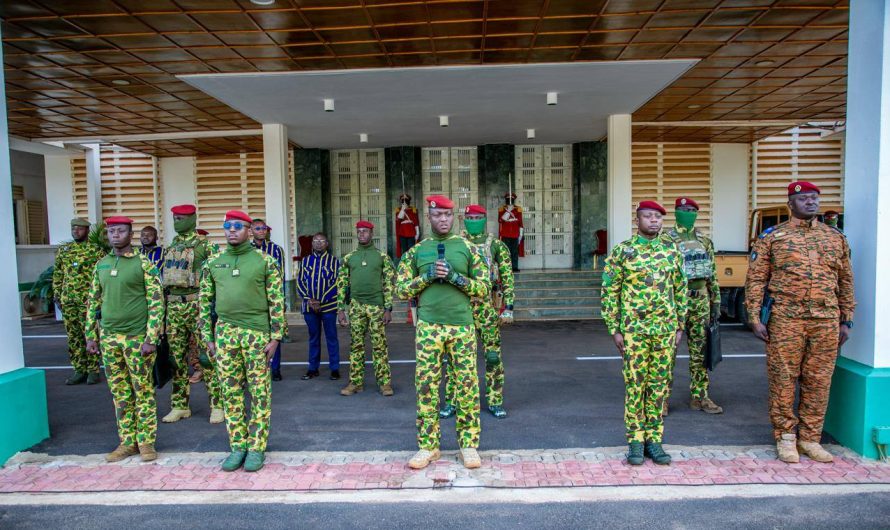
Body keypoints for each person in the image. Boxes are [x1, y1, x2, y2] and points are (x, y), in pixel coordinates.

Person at [745, 181, 855, 464]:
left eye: (814, 198)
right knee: (783, 379)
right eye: (803, 198)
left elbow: (845, 281)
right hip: (786, 320)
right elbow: (757, 279)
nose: (811, 203)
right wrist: (755, 317)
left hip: (826, 320)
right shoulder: (773, 237)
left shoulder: (835, 238)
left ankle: (811, 438)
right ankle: (785, 437)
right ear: (790, 204)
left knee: (819, 381)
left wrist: (847, 319)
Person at [396, 194, 490, 470]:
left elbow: (484, 289)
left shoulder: (467, 248)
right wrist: (426, 277)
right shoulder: (417, 250)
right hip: (428, 327)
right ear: (430, 217)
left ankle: (469, 445)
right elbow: (400, 289)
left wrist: (454, 277)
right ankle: (428, 446)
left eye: (448, 215)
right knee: (426, 387)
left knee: (467, 387)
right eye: (438, 215)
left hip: (461, 326)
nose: (443, 220)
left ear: (455, 217)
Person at [601, 200, 687, 467]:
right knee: (635, 386)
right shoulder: (623, 251)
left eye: (658, 217)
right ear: (637, 220)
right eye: (648, 216)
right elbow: (609, 291)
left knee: (658, 387)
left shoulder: (672, 251)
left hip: (664, 330)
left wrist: (679, 324)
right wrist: (614, 328)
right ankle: (635, 442)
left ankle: (655, 440)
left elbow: (681, 289)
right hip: (634, 331)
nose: (654, 221)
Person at [200, 210, 286, 472]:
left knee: (259, 393)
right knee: (231, 393)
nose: (232, 231)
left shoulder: (265, 261)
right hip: (225, 334)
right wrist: (207, 337)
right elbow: (204, 302)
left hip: (256, 334)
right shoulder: (213, 262)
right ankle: (238, 446)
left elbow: (276, 300)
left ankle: (257, 447)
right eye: (227, 226)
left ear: (249, 230)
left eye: (238, 226)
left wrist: (276, 337)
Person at [85, 216, 163, 463]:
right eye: (111, 231)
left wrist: (151, 337)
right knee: (120, 392)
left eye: (120, 231)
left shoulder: (144, 264)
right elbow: (93, 301)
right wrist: (90, 335)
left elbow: (156, 302)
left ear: (131, 235)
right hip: (109, 338)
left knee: (143, 390)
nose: (114, 235)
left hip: (137, 338)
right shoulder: (102, 265)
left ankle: (147, 442)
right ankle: (127, 441)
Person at [440, 204, 515, 419]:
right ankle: (453, 401)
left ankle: (495, 400)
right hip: (460, 306)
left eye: (478, 217)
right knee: (454, 358)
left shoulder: (497, 246)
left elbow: (507, 278)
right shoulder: (455, 244)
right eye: (470, 217)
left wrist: (508, 307)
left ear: (485, 218)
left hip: (486, 307)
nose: (474, 221)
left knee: (492, 357)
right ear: (463, 219)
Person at [160, 204, 219, 424]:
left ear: (193, 219)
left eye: (182, 218)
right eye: (175, 218)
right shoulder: (171, 246)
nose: (177, 221)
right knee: (176, 360)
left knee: (207, 358)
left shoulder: (206, 246)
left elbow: (216, 276)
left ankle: (218, 404)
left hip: (198, 305)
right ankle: (179, 405)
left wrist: (213, 307)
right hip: (174, 306)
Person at [664, 197, 723, 414]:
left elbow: (713, 275)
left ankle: (700, 397)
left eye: (690, 210)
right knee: (668, 353)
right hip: (674, 300)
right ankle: (662, 399)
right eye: (682, 209)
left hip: (701, 300)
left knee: (700, 352)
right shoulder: (665, 240)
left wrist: (716, 301)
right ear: (676, 212)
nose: (686, 213)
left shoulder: (705, 241)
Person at [336, 220, 395, 396]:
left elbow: (388, 284)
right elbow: (342, 284)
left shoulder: (382, 257)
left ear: (371, 233)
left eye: (365, 231)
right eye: (359, 231)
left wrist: (388, 308)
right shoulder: (349, 258)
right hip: (356, 307)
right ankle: (355, 382)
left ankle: (384, 383)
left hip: (376, 307)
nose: (362, 234)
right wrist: (340, 309)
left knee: (379, 346)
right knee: (356, 346)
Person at [52, 217, 105, 385]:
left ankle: (93, 370)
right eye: (74, 228)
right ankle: (79, 369)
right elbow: (58, 274)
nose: (76, 231)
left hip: (87, 301)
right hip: (68, 301)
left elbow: (101, 276)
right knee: (73, 337)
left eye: (80, 229)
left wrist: (100, 299)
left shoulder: (95, 251)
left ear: (87, 231)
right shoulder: (64, 250)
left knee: (90, 335)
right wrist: (57, 295)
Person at [297, 232, 341, 380]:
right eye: (316, 241)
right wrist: (310, 299)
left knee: (331, 337)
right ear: (312, 243)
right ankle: (312, 368)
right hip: (309, 307)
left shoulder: (334, 262)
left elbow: (336, 283)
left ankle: (334, 368)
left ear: (327, 244)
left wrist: (320, 300)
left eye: (322, 241)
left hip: (329, 306)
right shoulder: (305, 261)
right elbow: (300, 282)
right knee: (313, 337)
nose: (318, 243)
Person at [251, 218, 285, 381]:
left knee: (275, 333)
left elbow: (281, 274)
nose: (261, 231)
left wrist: (280, 300)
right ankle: (255, 368)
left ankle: (275, 369)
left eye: (263, 228)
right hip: (253, 300)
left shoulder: (276, 250)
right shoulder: (247, 249)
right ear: (251, 230)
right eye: (257, 228)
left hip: (271, 299)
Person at [498, 192, 523, 272]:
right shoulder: (502, 209)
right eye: (508, 199)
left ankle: (514, 267)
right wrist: (508, 210)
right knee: (506, 252)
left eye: (511, 199)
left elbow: (520, 223)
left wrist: (521, 235)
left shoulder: (518, 209)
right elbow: (501, 220)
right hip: (505, 234)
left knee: (514, 252)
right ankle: (507, 267)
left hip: (515, 234)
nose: (510, 200)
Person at [394, 193, 420, 259]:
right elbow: (399, 218)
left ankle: (411, 262)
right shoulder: (399, 210)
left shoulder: (413, 210)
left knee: (411, 249)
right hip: (402, 233)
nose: (404, 202)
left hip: (411, 232)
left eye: (406, 200)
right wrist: (403, 209)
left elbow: (416, 222)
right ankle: (404, 262)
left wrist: (417, 232)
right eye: (403, 200)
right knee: (404, 250)